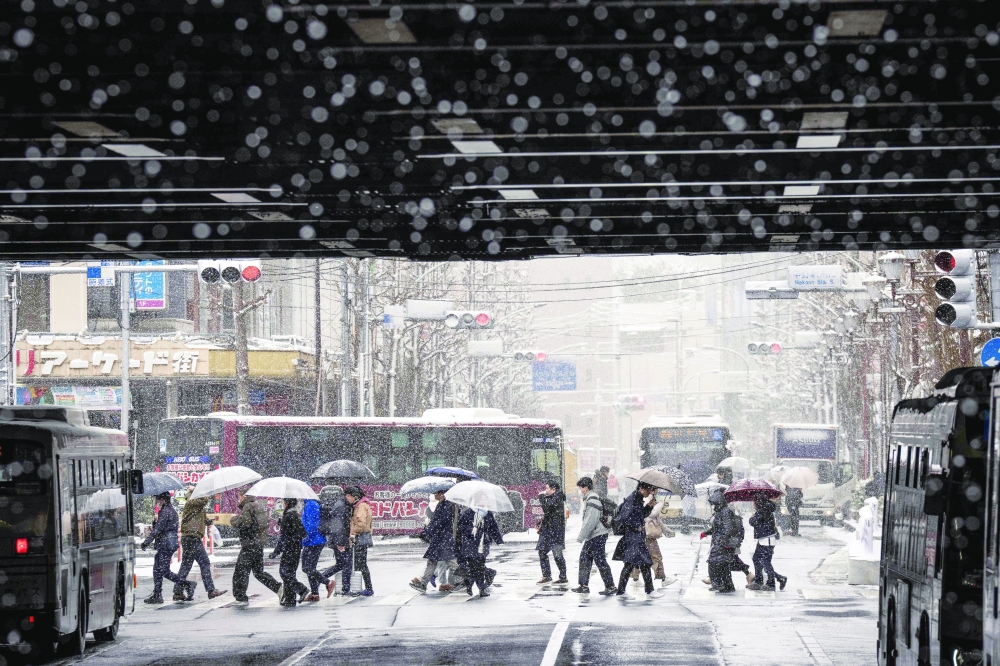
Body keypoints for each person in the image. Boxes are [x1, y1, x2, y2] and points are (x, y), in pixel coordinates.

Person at [230, 487, 282, 604]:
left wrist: (234, 519)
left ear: (243, 496)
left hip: (249, 544)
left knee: (241, 571)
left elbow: (245, 524)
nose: (238, 499)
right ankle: (278, 588)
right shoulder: (258, 505)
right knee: (259, 572)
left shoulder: (248, 506)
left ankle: (240, 596)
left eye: (239, 497)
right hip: (258, 544)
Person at [174, 489, 227, 602]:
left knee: (186, 566)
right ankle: (211, 590)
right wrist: (206, 493)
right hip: (192, 538)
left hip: (190, 537)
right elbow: (202, 501)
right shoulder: (191, 502)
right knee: (204, 562)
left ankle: (178, 591)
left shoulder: (195, 505)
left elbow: (199, 517)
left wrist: (209, 521)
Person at [612, 482, 662, 598]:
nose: (649, 492)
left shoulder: (638, 498)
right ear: (641, 488)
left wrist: (649, 506)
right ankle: (645, 591)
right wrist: (636, 526)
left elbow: (640, 515)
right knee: (636, 564)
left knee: (641, 564)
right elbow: (625, 517)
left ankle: (646, 591)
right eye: (648, 489)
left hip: (636, 537)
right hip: (633, 538)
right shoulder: (632, 499)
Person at [571, 477, 615, 595]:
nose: (580, 491)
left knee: (600, 560)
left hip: (597, 534)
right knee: (585, 558)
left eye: (581, 488)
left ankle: (610, 586)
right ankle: (584, 585)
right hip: (594, 535)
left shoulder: (592, 500)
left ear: (585, 488)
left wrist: (581, 537)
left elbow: (590, 521)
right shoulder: (590, 499)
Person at [455, 495, 504, 597]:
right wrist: (470, 530)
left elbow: (493, 528)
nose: (483, 501)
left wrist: (499, 541)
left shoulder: (488, 513)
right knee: (474, 566)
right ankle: (475, 586)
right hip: (470, 543)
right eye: (481, 498)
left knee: (479, 566)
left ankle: (478, 587)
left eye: (485, 499)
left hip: (483, 543)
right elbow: (460, 526)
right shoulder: (469, 512)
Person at [410, 490, 459, 593]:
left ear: (441, 494)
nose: (434, 494)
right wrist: (427, 530)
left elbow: (439, 522)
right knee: (432, 561)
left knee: (451, 561)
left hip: (443, 539)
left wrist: (428, 530)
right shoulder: (441, 504)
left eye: (436, 493)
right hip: (439, 539)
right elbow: (436, 522)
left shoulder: (446, 505)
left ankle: (465, 579)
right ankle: (423, 583)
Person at [141, 492, 184, 604]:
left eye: (158, 499)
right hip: (167, 544)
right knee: (159, 570)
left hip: (166, 544)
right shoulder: (169, 511)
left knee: (161, 570)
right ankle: (158, 593)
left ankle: (185, 584)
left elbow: (158, 530)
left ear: (163, 500)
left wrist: (146, 542)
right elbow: (162, 528)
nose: (157, 502)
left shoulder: (165, 512)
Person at [270, 498, 309, 607]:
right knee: (289, 573)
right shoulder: (293, 514)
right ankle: (290, 598)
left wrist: (276, 551)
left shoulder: (289, 516)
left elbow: (284, 537)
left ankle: (302, 590)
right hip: (295, 548)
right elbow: (302, 532)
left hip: (290, 549)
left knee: (285, 573)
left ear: (286, 503)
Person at [747, 492, 787, 591]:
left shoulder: (763, 509)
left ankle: (772, 582)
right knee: (757, 559)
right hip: (764, 539)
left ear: (758, 501)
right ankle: (759, 580)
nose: (754, 503)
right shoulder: (765, 508)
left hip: (767, 540)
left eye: (755, 500)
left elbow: (755, 522)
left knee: (765, 562)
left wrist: (751, 519)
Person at [318, 485, 352, 596]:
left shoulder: (340, 505)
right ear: (347, 496)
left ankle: (320, 578)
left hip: (336, 539)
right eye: (354, 498)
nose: (354, 500)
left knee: (341, 564)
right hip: (339, 540)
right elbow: (339, 527)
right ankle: (345, 589)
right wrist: (341, 543)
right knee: (346, 564)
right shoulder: (342, 507)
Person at [701, 490, 737, 593]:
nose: (713, 506)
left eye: (714, 503)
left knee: (713, 562)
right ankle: (728, 585)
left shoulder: (725, 512)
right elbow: (717, 527)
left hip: (721, 543)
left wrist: (722, 540)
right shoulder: (721, 512)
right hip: (721, 542)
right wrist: (706, 532)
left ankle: (718, 583)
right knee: (723, 565)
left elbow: (727, 527)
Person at [630, 496, 668, 587]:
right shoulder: (646, 498)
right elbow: (651, 513)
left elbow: (657, 520)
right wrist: (660, 504)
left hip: (645, 534)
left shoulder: (648, 498)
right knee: (656, 557)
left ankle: (635, 579)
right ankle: (662, 579)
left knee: (640, 556)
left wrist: (666, 530)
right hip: (647, 534)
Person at [536, 480, 567, 585]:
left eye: (547, 488)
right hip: (547, 530)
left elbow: (547, 508)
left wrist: (541, 498)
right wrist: (540, 522)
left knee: (557, 554)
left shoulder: (558, 497)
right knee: (542, 551)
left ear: (554, 489)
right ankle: (546, 575)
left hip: (556, 531)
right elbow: (549, 514)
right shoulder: (552, 497)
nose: (545, 490)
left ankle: (563, 576)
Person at [345, 486, 374, 597]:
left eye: (349, 496)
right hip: (363, 537)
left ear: (355, 497)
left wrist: (353, 533)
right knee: (361, 564)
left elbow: (360, 523)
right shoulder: (362, 505)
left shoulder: (361, 506)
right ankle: (366, 587)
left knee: (360, 564)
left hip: (360, 538)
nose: (348, 499)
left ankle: (368, 588)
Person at [299, 497, 328, 602]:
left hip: (315, 541)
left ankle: (328, 583)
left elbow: (313, 525)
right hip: (312, 540)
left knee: (309, 568)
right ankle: (315, 593)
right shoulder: (308, 504)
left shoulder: (311, 504)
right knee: (308, 568)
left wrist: (307, 537)